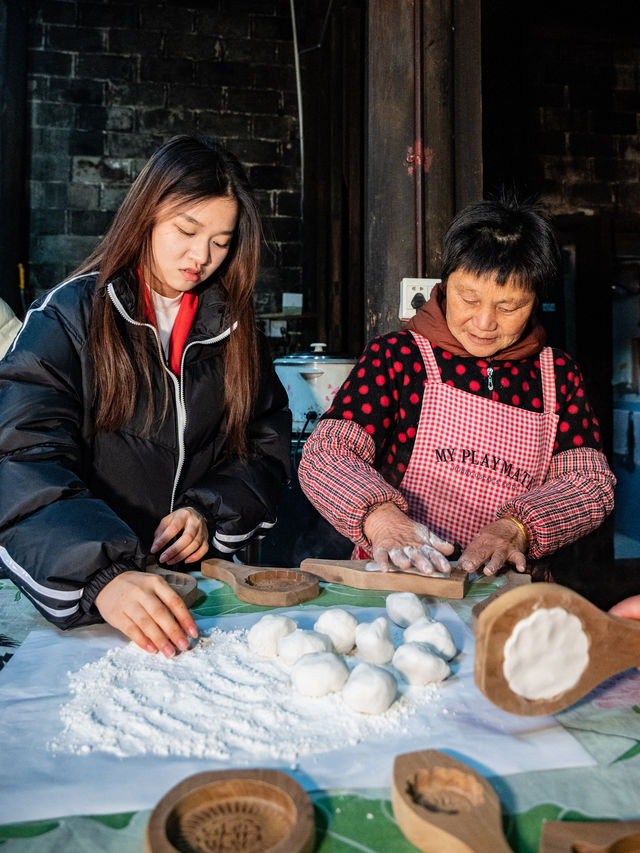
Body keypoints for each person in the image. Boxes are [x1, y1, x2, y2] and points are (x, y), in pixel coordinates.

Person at [0, 134, 291, 655]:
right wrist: (100, 574)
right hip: (97, 604)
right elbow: (21, 456)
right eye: (187, 229)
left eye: (221, 241)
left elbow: (263, 444)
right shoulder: (71, 315)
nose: (201, 256)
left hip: (197, 593)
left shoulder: (234, 328)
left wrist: (210, 511)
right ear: (148, 213)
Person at [298, 197, 615, 577]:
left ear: (535, 304)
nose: (484, 322)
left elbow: (590, 484)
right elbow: (326, 454)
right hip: (396, 587)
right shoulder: (398, 357)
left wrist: (518, 528)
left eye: (509, 307)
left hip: (505, 597)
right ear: (445, 285)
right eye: (468, 298)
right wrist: (380, 516)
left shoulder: (556, 375)